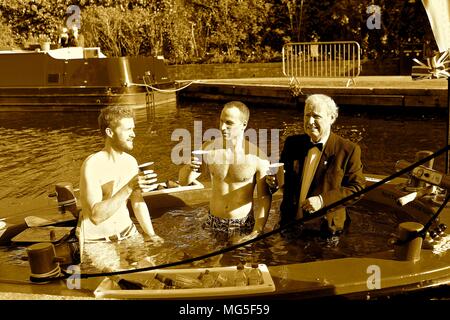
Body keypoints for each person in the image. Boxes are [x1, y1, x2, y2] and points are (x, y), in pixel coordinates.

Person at [267, 94, 365, 237]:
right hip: (289, 226)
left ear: (332, 118)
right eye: (307, 115)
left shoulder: (348, 150)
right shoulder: (292, 143)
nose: (310, 121)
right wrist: (274, 183)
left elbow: (357, 187)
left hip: (325, 230)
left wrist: (322, 200)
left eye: (316, 116)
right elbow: (284, 181)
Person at [178, 101, 272, 241]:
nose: (222, 127)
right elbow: (183, 182)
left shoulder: (258, 158)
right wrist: (188, 168)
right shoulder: (208, 148)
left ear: (244, 125)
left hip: (242, 225)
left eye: (229, 123)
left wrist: (257, 231)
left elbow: (264, 197)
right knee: (207, 262)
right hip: (213, 221)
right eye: (221, 121)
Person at [78, 105, 164, 246]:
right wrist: (129, 186)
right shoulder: (93, 165)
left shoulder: (130, 162)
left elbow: (137, 202)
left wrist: (151, 234)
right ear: (110, 132)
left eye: (133, 129)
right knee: (117, 269)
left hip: (129, 232)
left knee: (151, 266)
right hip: (98, 242)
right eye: (128, 129)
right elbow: (96, 217)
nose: (133, 134)